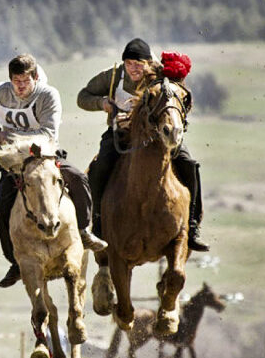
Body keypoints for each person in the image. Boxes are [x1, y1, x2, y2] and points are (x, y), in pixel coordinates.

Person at [0, 54, 107, 288]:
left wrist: (10, 137)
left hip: (45, 156)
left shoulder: (48, 96)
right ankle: (15, 261)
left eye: (25, 81)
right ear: (10, 80)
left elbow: (48, 134)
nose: (20, 86)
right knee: (1, 209)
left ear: (35, 77)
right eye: (16, 81)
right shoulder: (2, 92)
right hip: (15, 163)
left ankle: (84, 231)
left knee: (78, 177)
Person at [77, 38, 209, 252]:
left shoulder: (161, 76)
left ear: (149, 63)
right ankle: (98, 225)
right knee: (99, 167)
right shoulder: (113, 76)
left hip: (157, 138)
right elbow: (82, 96)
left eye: (138, 64)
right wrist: (101, 103)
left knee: (189, 165)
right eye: (129, 64)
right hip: (119, 134)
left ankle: (192, 226)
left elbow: (181, 98)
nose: (133, 69)